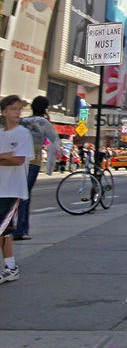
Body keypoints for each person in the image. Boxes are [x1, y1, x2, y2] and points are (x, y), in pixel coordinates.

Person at [0, 95, 34, 283]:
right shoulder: (1, 134)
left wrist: (6, 156)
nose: (17, 112)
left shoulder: (22, 133)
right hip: (1, 187)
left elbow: (18, 159)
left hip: (13, 190)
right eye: (13, 109)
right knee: (4, 231)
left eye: (19, 109)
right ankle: (9, 266)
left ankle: (11, 267)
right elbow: (10, 157)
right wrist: (6, 155)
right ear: (4, 112)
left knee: (4, 229)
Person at [16, 95, 59, 240]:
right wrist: (50, 167)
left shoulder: (23, 121)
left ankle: (20, 228)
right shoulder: (43, 122)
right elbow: (54, 142)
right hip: (34, 162)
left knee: (19, 194)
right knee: (25, 195)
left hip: (19, 161)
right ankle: (21, 230)